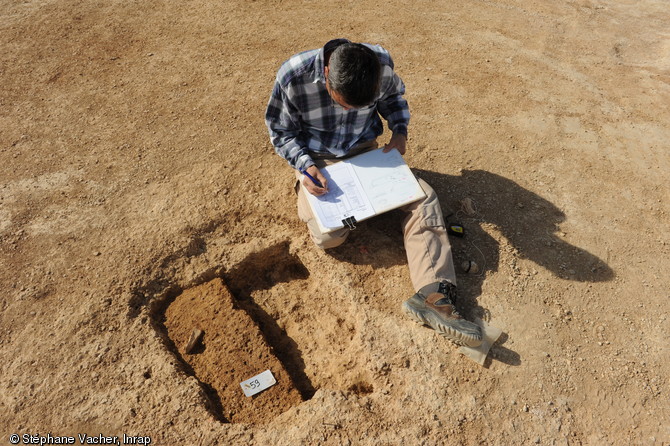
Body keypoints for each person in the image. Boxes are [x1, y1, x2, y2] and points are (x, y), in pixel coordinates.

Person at [265, 38, 482, 347]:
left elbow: (393, 98)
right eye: (341, 103)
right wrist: (303, 165)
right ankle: (324, 201)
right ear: (326, 73)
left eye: (358, 107)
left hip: (365, 152)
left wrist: (399, 131)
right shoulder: (292, 76)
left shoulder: (380, 65)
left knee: (424, 199)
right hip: (318, 162)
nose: (348, 110)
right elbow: (280, 131)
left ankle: (434, 297)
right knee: (330, 238)